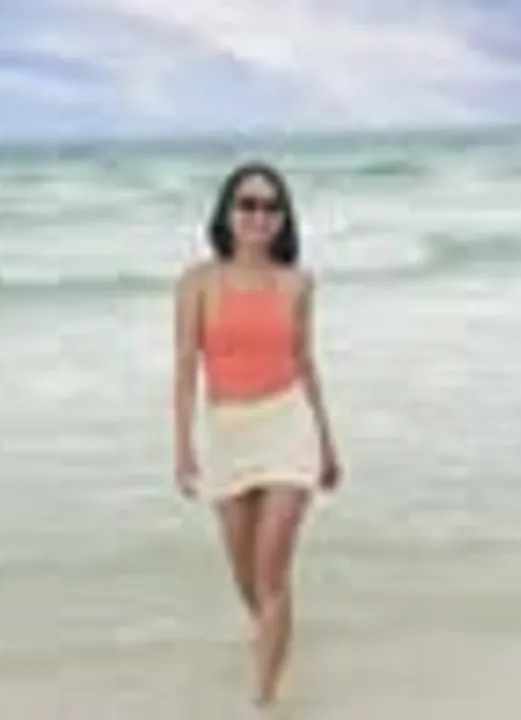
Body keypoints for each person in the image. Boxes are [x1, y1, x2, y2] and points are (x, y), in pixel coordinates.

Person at [172, 161, 341, 708]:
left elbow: (305, 361)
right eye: (247, 204)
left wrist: (327, 443)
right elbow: (185, 367)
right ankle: (276, 639)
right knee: (246, 579)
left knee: (271, 573)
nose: (259, 215)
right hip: (227, 432)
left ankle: (263, 701)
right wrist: (183, 447)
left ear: (283, 218)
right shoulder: (197, 282)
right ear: (227, 211)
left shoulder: (298, 282)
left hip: (288, 425)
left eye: (271, 207)